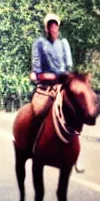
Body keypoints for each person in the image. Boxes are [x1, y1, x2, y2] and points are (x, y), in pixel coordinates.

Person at [29, 13, 85, 173]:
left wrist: (63, 77)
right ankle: (32, 144)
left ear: (58, 27)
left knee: (78, 110)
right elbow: (36, 67)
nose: (53, 28)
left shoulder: (64, 43)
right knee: (38, 110)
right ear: (46, 28)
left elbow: (68, 66)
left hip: (62, 84)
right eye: (50, 25)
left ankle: (78, 152)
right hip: (45, 87)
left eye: (55, 25)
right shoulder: (39, 43)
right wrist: (37, 75)